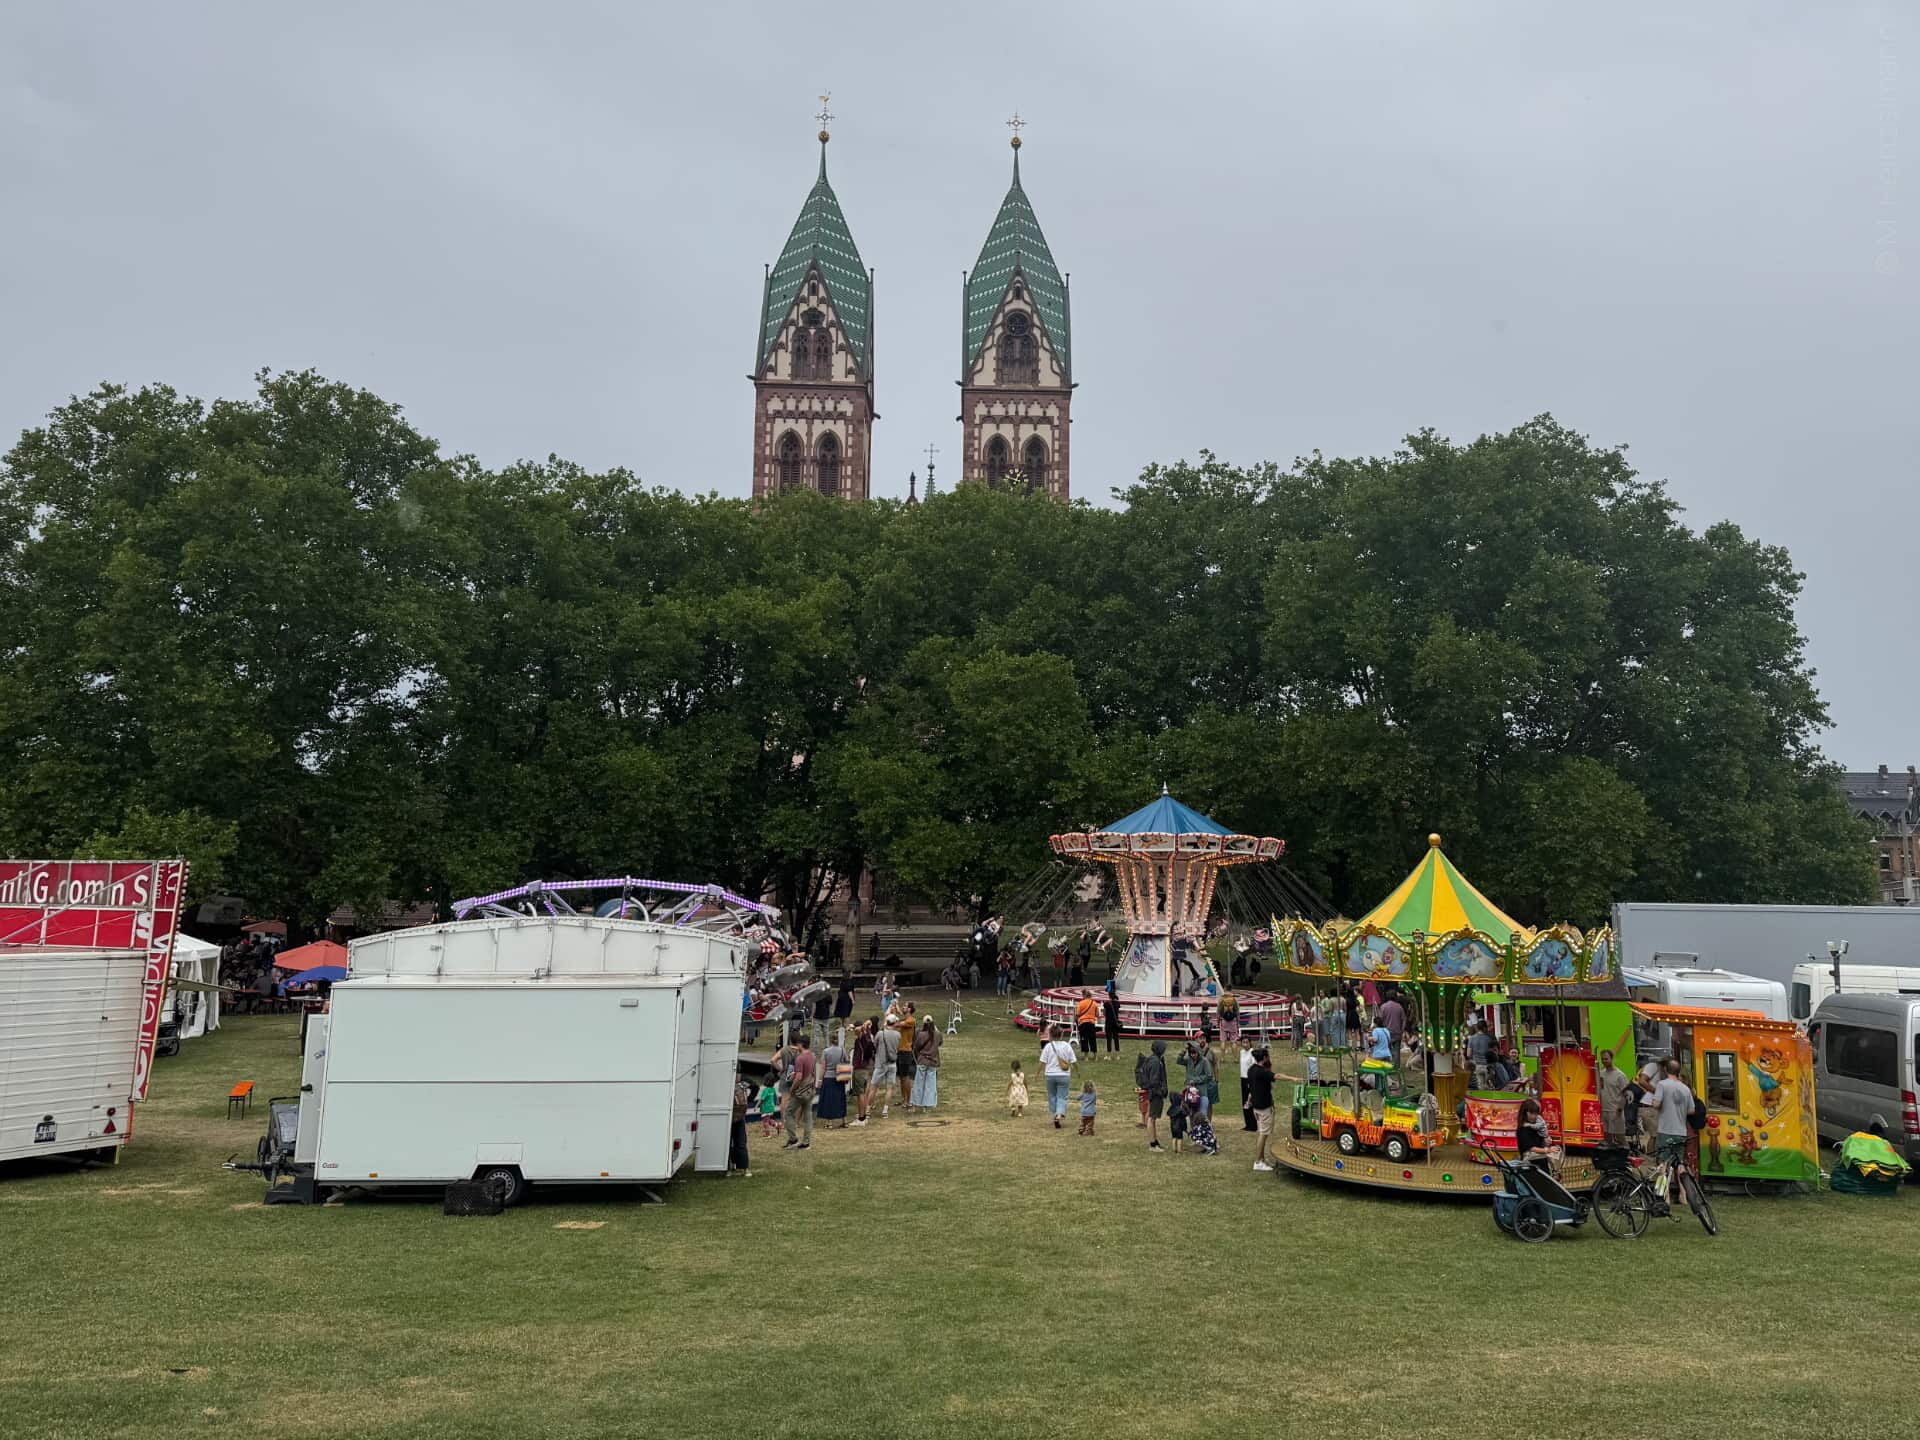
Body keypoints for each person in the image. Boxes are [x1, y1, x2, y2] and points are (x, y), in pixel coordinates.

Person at [1648, 1058, 1696, 1168]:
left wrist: (1660, 1105)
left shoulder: (1662, 1085)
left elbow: (1656, 1104)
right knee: (1679, 1163)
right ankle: (1683, 1183)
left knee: (1663, 1163)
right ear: (1678, 1071)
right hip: (1681, 1132)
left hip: (1665, 1130)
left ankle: (1664, 1184)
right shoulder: (1685, 1088)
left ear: (1665, 1069)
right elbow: (1691, 1110)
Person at [783, 1034, 818, 1150]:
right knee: (808, 1116)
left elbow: (798, 1077)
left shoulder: (800, 1058)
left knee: (788, 1113)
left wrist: (792, 1090)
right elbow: (813, 1072)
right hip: (810, 1089)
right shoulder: (813, 1056)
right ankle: (806, 1142)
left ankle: (793, 1139)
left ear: (800, 1044)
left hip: (801, 1091)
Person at [1041, 1025, 1078, 1129]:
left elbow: (1042, 1061)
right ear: (1061, 1034)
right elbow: (1073, 1061)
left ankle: (1054, 1114)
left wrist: (1038, 1073)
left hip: (1050, 1074)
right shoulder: (1067, 1046)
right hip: (1064, 1075)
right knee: (1062, 1096)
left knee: (1052, 1096)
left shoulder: (1048, 1046)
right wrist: (1077, 1071)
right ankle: (1059, 1113)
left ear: (1051, 1035)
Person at [1246, 1046, 1277, 1171]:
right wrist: (1294, 1078)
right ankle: (1258, 1162)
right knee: (1263, 1134)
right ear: (1264, 1058)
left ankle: (1262, 1159)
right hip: (1264, 1108)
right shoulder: (1262, 1071)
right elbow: (1277, 1076)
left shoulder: (1251, 1070)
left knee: (1262, 1133)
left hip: (1256, 1107)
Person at [1596, 1049, 1631, 1148]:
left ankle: (1627, 1157)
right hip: (1604, 1110)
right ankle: (1611, 1160)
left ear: (1612, 1058)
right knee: (1607, 1138)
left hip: (1615, 1111)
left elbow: (1626, 1093)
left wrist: (1620, 1108)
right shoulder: (1601, 1073)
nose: (1604, 1061)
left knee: (1620, 1138)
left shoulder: (1620, 1076)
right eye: (1602, 1059)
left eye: (1606, 1059)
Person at [1514, 1096, 1560, 1168]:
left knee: (1557, 1152)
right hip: (1530, 1162)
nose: (1534, 1116)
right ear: (1525, 1113)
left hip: (1541, 1159)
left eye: (1536, 1114)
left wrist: (1547, 1142)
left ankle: (1555, 1172)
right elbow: (1531, 1148)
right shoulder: (1523, 1129)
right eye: (1532, 1113)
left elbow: (1541, 1140)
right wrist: (1547, 1150)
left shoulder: (1536, 1125)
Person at [1142, 1039, 1170, 1151]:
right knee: (1151, 1118)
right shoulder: (1155, 1062)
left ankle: (1155, 1141)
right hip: (1155, 1093)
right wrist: (1160, 1090)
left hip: (1153, 1092)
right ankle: (1152, 1144)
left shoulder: (1154, 1060)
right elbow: (1154, 1080)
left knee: (1152, 1117)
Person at [911, 1014, 942, 1111]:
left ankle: (916, 1103)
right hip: (933, 1061)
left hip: (922, 1060)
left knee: (919, 1083)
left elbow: (916, 1047)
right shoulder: (937, 1034)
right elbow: (940, 1043)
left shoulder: (921, 1034)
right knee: (930, 1084)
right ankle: (927, 1104)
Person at [819, 1032, 850, 1129]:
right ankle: (844, 1120)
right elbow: (847, 1061)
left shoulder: (826, 1051)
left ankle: (829, 1122)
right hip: (839, 1076)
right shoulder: (842, 1050)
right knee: (841, 1098)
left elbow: (823, 1067)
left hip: (828, 1077)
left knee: (829, 1100)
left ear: (830, 1040)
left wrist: (820, 1079)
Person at [851, 1019, 877, 1126]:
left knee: (860, 1094)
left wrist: (857, 1026)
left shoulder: (862, 1038)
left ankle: (861, 1118)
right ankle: (863, 1115)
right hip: (866, 1067)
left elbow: (858, 1030)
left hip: (860, 1068)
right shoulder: (868, 1036)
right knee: (863, 1093)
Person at [893, 1002, 917, 1110]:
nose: (903, 1007)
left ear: (910, 1009)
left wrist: (893, 1014)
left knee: (906, 1077)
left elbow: (897, 1024)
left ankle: (909, 1101)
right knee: (902, 1077)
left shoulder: (911, 1020)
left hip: (906, 1051)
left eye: (905, 1006)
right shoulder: (906, 1019)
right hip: (900, 1051)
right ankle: (903, 1099)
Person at [1184, 1085, 1219, 1156]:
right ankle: (1208, 1148)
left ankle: (1210, 1149)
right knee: (1200, 1138)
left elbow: (1195, 1135)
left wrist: (1187, 1132)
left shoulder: (1200, 1128)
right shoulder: (1207, 1124)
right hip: (1213, 1141)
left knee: (1196, 1139)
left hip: (1210, 1143)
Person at [729, 1073, 753, 1175]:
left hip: (734, 1117)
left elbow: (754, 1086)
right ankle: (739, 1167)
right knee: (738, 1142)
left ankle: (737, 1167)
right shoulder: (742, 1084)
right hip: (737, 1117)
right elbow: (754, 1086)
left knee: (736, 1143)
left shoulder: (736, 1084)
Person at [1376, 989, 1407, 1056]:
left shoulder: (1383, 1007)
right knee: (1397, 1052)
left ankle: (1388, 1065)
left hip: (1385, 1033)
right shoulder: (1399, 1007)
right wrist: (1402, 1030)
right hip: (1397, 1032)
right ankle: (1397, 1065)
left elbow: (1380, 1020)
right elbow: (1404, 1020)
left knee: (1386, 1051)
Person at [1075, 991, 1101, 1060]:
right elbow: (1097, 1015)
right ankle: (1095, 1056)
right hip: (1091, 1023)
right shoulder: (1094, 1003)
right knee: (1092, 1039)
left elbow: (1077, 1014)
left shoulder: (1081, 1003)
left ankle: (1086, 1057)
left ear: (1085, 996)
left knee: (1084, 1039)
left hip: (1083, 1023)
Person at [1167, 1088, 1189, 1154]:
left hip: (1172, 1127)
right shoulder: (1180, 1110)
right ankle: (1179, 1150)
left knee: (1174, 1137)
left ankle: (1174, 1149)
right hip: (1179, 1127)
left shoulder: (1171, 1108)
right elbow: (1186, 1114)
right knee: (1180, 1138)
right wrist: (1185, 1107)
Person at [1102, 986, 1122, 1054]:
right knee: (1116, 1038)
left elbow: (1104, 1013)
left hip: (1108, 1022)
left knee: (1109, 1039)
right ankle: (1117, 1055)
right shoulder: (1118, 1003)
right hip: (1115, 1022)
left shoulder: (1106, 1003)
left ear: (1109, 996)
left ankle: (1109, 1055)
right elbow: (1118, 1011)